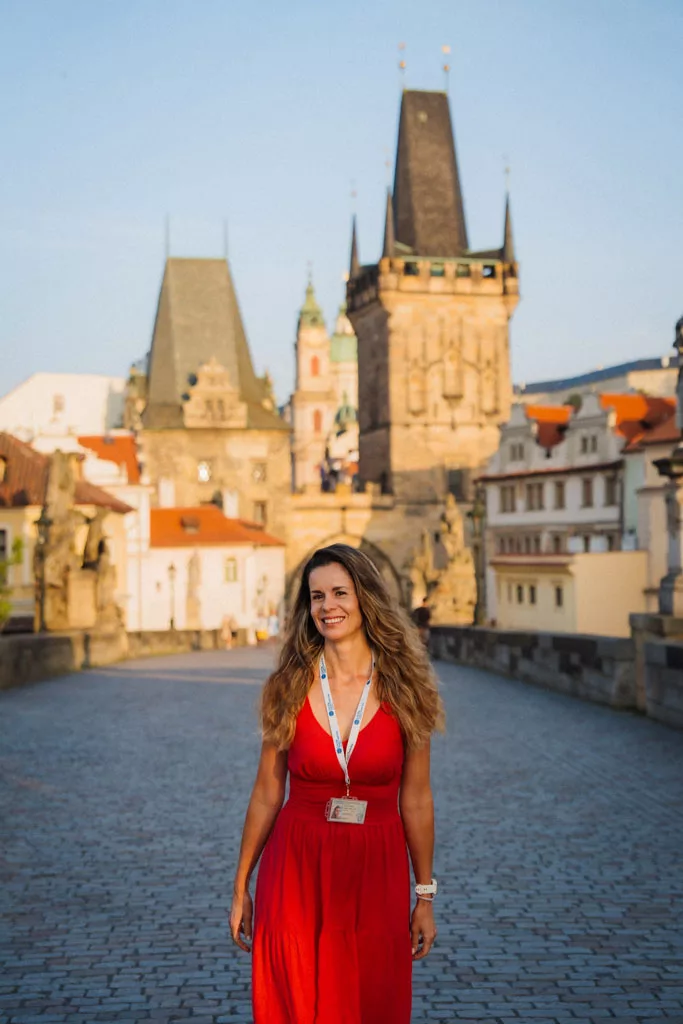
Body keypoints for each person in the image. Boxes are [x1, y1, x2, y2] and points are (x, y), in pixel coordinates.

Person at [230, 543, 444, 1024]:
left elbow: (416, 800)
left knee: (371, 1000)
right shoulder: (287, 686)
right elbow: (266, 793)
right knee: (296, 1000)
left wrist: (425, 896)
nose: (328, 606)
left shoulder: (408, 688)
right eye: (317, 596)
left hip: (376, 869)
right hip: (297, 867)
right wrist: (241, 885)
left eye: (340, 593)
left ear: (365, 597)